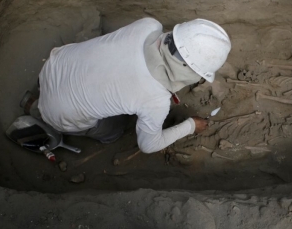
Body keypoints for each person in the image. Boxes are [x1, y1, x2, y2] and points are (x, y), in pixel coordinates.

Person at [21, 17, 231, 154]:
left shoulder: (149, 26)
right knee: (114, 130)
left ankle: (39, 98)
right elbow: (149, 145)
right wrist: (191, 126)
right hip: (60, 114)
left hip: (55, 66)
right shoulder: (155, 101)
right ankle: (38, 111)